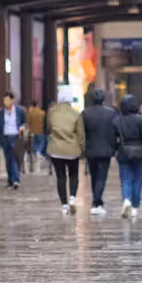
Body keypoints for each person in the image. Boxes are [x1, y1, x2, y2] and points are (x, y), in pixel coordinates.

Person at [47, 87, 86, 215]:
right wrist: (83, 148)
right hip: (72, 149)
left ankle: (64, 205)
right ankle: (73, 197)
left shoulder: (52, 113)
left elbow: (49, 128)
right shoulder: (76, 114)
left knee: (60, 177)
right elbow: (81, 135)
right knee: (73, 174)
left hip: (56, 149)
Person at [81, 88, 118, 215]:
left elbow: (82, 132)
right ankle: (97, 202)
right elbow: (114, 132)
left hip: (90, 149)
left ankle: (97, 200)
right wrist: (114, 147)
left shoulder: (85, 113)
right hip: (105, 149)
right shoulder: (111, 113)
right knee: (101, 176)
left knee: (94, 176)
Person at [113, 94, 142, 219]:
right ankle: (135, 207)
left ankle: (126, 199)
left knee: (125, 179)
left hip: (124, 152)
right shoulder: (141, 119)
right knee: (137, 180)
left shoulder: (117, 120)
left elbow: (114, 139)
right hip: (139, 152)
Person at [0, 92, 27, 190]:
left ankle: (16, 180)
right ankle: (10, 180)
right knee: (8, 160)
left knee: (14, 159)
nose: (6, 102)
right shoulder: (1, 112)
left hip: (16, 137)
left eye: (8, 100)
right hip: (5, 137)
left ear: (12, 100)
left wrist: (22, 127)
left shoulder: (19, 110)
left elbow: (24, 122)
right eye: (4, 100)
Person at [27, 100, 47, 164]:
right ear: (37, 105)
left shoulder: (30, 113)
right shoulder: (42, 112)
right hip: (40, 131)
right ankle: (38, 153)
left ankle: (35, 154)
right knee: (41, 143)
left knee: (34, 143)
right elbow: (45, 122)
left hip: (32, 131)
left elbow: (28, 122)